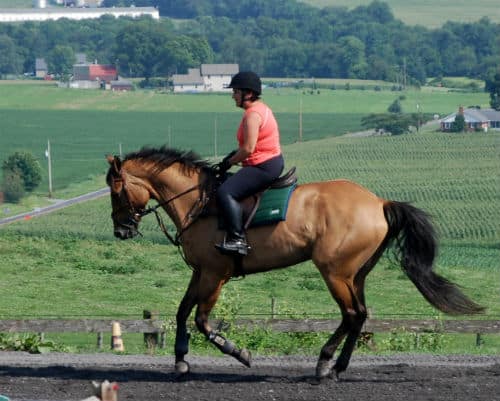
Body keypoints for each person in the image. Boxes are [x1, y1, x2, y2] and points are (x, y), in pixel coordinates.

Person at [215, 71, 284, 256]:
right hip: (269, 162)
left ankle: (237, 240)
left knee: (225, 191)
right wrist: (234, 156)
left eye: (236, 92)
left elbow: (248, 148)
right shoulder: (261, 109)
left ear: (249, 94)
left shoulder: (252, 115)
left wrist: (229, 162)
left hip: (263, 166)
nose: (233, 96)